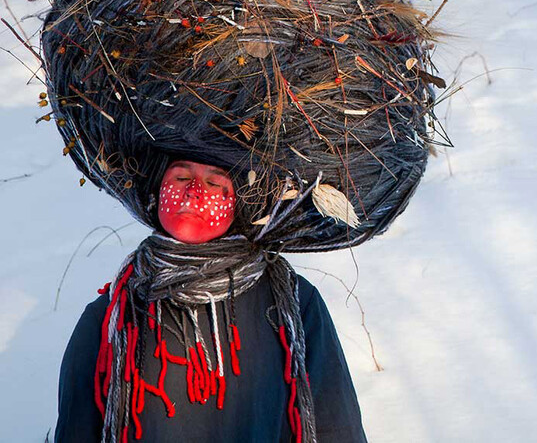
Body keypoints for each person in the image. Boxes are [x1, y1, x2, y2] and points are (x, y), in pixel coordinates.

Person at [54, 159, 368, 442]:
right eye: (180, 177)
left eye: (215, 183)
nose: (193, 192)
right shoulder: (112, 316)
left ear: (239, 205)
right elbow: (76, 429)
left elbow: (336, 425)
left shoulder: (291, 303)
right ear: (156, 191)